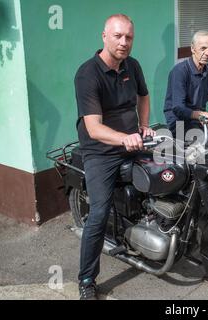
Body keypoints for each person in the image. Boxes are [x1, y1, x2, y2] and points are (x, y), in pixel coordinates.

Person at [74, 14, 154, 300]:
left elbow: (144, 96)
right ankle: (86, 279)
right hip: (100, 152)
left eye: (128, 37)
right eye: (118, 36)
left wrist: (143, 125)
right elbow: (93, 128)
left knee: (169, 177)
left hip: (133, 142)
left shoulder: (133, 65)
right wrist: (125, 138)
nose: (124, 42)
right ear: (104, 36)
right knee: (98, 214)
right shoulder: (88, 74)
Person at [163, 30, 208, 137]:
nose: (207, 53)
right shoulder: (180, 71)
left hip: (199, 120)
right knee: (207, 141)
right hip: (178, 122)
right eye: (203, 48)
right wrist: (199, 114)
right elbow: (178, 108)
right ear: (193, 49)